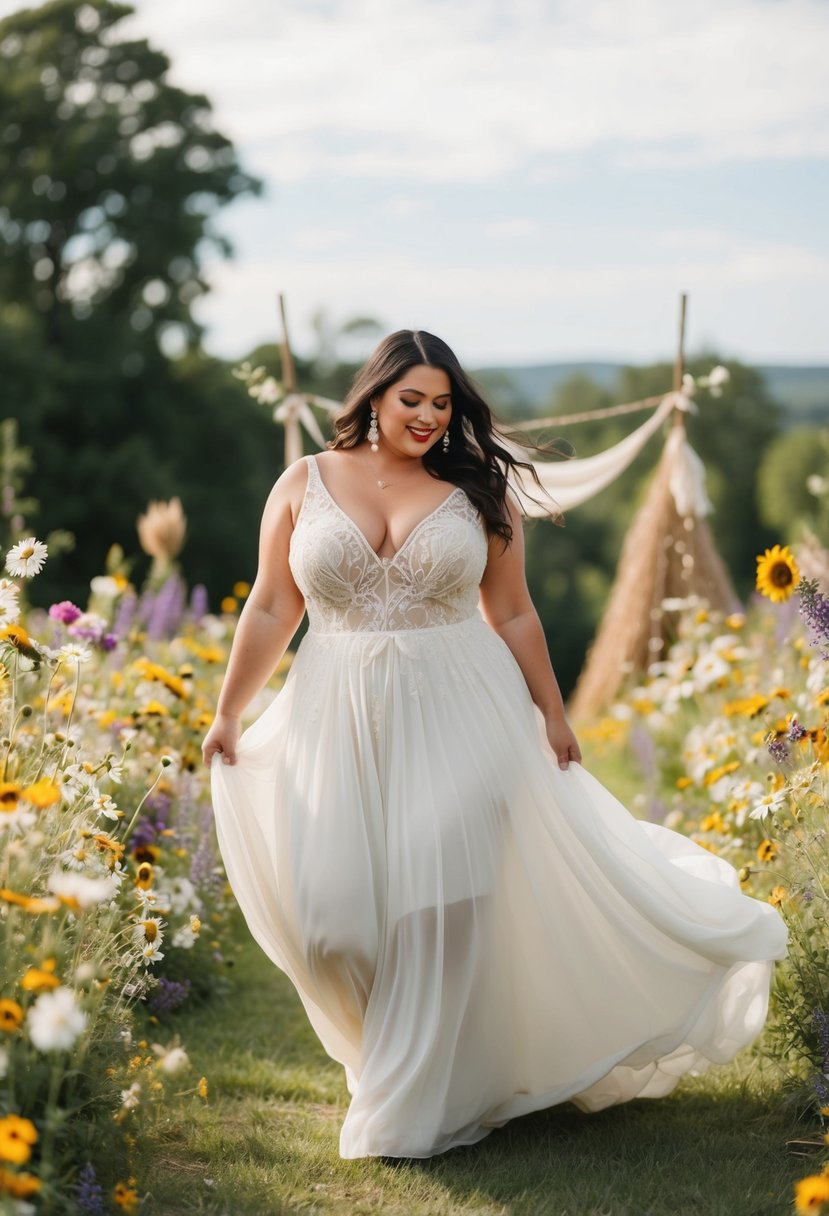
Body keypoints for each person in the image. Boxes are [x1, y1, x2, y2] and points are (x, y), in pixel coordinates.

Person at [203, 329, 789, 1161]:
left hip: (464, 710)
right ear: (374, 396)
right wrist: (229, 711)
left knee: (441, 903)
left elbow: (511, 613)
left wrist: (553, 712)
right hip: (336, 717)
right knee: (335, 927)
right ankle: (400, 1061)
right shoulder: (303, 482)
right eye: (413, 400)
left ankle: (414, 1105)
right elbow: (271, 605)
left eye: (444, 405)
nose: (428, 418)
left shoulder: (478, 493)